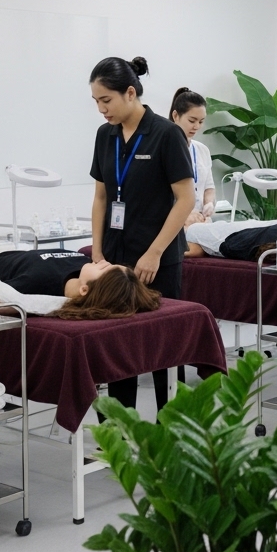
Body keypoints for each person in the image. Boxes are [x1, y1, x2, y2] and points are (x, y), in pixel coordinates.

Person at [88, 56, 194, 411]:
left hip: (158, 259)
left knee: (165, 347)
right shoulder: (105, 136)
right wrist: (98, 253)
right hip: (115, 257)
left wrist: (155, 252)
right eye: (96, 102)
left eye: (106, 100)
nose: (101, 109)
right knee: (119, 346)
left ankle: (172, 426)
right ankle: (122, 428)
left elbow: (186, 199)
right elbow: (101, 197)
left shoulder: (166, 134)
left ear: (130, 93)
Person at [0, 247, 159, 318]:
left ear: (85, 290)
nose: (104, 262)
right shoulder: (83, 264)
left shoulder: (38, 285)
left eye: (105, 269)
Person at [170, 88, 215, 225]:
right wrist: (184, 216)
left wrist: (209, 204)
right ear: (175, 115)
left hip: (201, 221)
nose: (196, 127)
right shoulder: (163, 149)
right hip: (175, 223)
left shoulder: (202, 150)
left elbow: (209, 187)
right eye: (192, 120)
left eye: (201, 122)